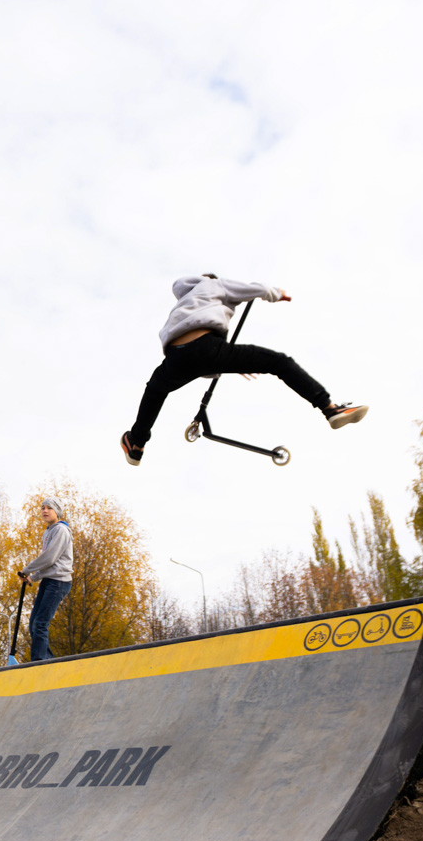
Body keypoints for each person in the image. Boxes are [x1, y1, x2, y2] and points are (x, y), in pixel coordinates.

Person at [121, 274, 368, 465]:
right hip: (208, 348)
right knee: (279, 362)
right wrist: (274, 293)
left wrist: (230, 362)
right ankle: (329, 408)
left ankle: (136, 443)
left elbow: (199, 358)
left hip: (176, 355)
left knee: (155, 390)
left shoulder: (185, 302)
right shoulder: (212, 284)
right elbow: (253, 288)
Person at [19, 497, 74, 662]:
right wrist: (33, 578)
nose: (45, 511)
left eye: (49, 508)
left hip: (59, 582)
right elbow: (49, 562)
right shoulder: (48, 531)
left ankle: (39, 662)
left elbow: (49, 558)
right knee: (33, 623)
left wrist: (27, 570)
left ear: (57, 511)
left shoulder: (61, 530)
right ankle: (47, 660)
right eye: (43, 508)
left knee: (40, 623)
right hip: (49, 581)